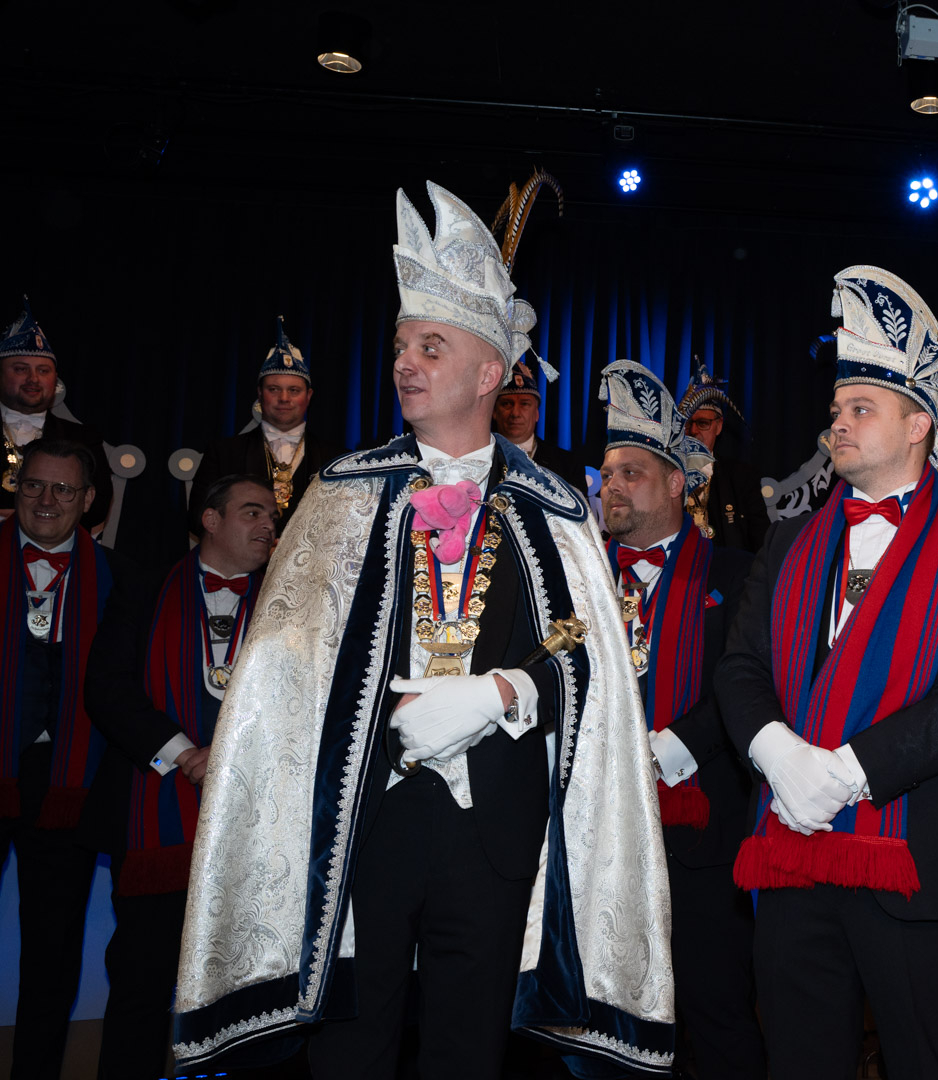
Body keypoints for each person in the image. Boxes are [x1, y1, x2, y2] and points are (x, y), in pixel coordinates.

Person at [170, 181, 675, 1078]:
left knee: (466, 1054)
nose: (405, 363)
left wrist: (503, 691)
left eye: (430, 347)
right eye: (402, 345)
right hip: (363, 822)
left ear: (489, 374)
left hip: (496, 833)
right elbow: (282, 662)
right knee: (351, 1051)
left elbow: (590, 658)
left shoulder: (556, 506)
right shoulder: (342, 491)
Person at [715, 264, 938, 1079]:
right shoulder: (787, 540)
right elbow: (739, 668)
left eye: (859, 409)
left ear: (918, 424)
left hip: (913, 864)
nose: (837, 425)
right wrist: (780, 756)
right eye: (834, 411)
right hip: (789, 853)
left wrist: (845, 773)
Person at [598, 358, 765, 1078]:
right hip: (599, 831)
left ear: (676, 483)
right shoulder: (580, 579)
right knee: (607, 1020)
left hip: (703, 836)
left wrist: (664, 749)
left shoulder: (736, 574)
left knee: (716, 1012)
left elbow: (747, 686)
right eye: (607, 474)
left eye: (631, 473)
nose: (612, 486)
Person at [81, 474, 275, 1080]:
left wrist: (234, 756)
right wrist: (187, 753)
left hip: (259, 825)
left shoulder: (292, 600)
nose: (268, 524)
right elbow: (107, 688)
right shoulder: (143, 587)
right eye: (252, 512)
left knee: (251, 995)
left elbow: (311, 703)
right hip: (155, 818)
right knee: (141, 983)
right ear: (209, 520)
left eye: (271, 515)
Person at [0, 438, 133, 1080]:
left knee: (52, 952)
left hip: (70, 785)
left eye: (62, 489)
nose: (46, 500)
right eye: (33, 485)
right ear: (15, 489)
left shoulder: (121, 576)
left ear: (87, 500)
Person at [199, 317, 345, 523]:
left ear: (308, 396)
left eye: (294, 390)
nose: (284, 398)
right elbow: (200, 516)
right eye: (274, 389)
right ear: (260, 394)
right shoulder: (223, 453)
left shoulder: (338, 459)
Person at [0, 297, 112, 531]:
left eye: (43, 371)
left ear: (55, 380)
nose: (33, 379)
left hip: (57, 544)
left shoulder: (83, 439)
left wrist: (41, 522)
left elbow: (98, 506)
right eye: (20, 369)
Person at [678, 357, 770, 551]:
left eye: (703, 423)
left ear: (718, 426)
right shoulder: (665, 475)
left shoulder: (742, 479)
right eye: (687, 424)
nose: (693, 431)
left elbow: (761, 546)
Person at [492, 356, 589, 495]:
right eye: (507, 404)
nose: (515, 413)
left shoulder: (568, 464)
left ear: (537, 414)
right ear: (494, 412)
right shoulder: (479, 458)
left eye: (525, 404)